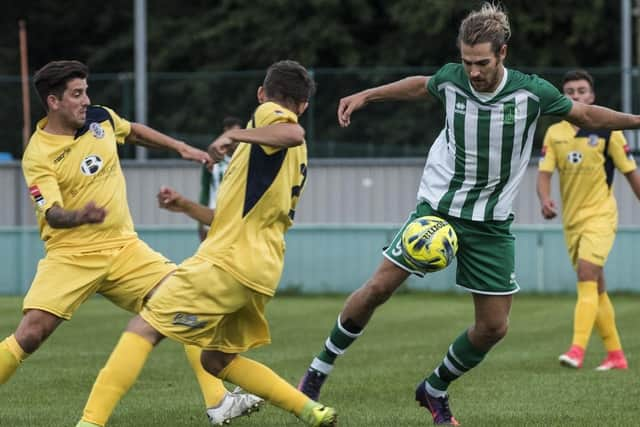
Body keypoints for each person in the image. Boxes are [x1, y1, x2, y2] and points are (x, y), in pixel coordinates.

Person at [297, 3, 640, 425]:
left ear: (502, 54)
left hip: (492, 223)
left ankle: (434, 388)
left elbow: (587, 114)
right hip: (439, 209)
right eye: (467, 61)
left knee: (494, 327)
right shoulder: (453, 79)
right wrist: (368, 94)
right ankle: (316, 374)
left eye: (482, 62)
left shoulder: (532, 93)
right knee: (378, 288)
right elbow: (420, 84)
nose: (473, 72)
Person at [74, 60, 337, 427]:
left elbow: (293, 134)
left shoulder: (267, 118)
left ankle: (89, 422)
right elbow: (227, 218)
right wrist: (183, 205)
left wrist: (235, 135)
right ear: (305, 104)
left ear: (262, 94)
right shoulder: (278, 154)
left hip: (226, 263)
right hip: (260, 269)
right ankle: (310, 410)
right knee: (215, 361)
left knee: (144, 327)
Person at [0, 60, 263, 426]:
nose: (85, 100)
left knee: (183, 301)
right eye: (77, 94)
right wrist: (81, 216)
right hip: (72, 255)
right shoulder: (39, 153)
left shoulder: (99, 118)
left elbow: (134, 131)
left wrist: (181, 148)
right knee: (31, 334)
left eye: (86, 91)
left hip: (125, 248)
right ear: (53, 101)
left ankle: (219, 402)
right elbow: (53, 213)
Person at [537, 69, 640, 371]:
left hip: (601, 216)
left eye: (581, 91)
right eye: (569, 91)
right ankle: (616, 355)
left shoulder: (610, 132)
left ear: (592, 97)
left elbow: (631, 174)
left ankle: (577, 350)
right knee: (595, 286)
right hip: (571, 222)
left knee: (586, 275)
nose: (576, 96)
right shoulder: (555, 133)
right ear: (562, 98)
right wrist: (545, 199)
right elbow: (543, 175)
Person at [198, 116, 243, 241]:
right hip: (214, 214)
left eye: (238, 135)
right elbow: (205, 189)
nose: (236, 140)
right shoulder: (211, 160)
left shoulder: (244, 159)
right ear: (225, 133)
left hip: (236, 216)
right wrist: (201, 220)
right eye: (232, 134)